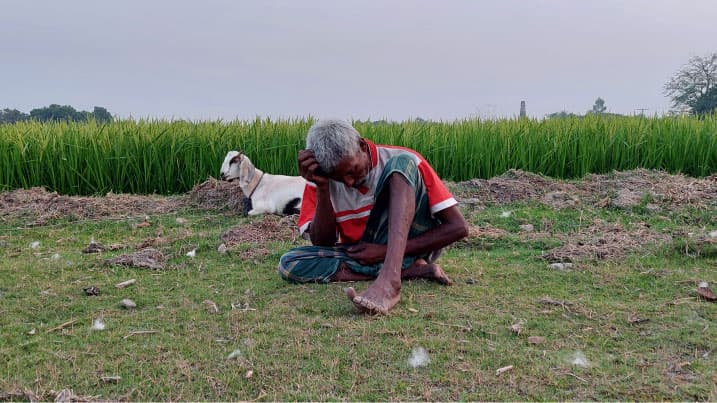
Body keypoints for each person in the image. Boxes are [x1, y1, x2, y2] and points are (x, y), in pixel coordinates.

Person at [278, 119, 468, 314]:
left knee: (402, 163)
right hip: (363, 254)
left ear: (361, 145)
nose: (349, 182)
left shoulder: (404, 161)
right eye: (338, 178)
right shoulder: (321, 179)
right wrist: (323, 188)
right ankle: (410, 271)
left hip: (410, 247)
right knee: (289, 263)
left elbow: (458, 227)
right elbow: (322, 242)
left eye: (352, 171)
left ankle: (390, 280)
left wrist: (384, 251)